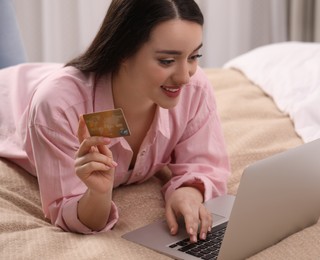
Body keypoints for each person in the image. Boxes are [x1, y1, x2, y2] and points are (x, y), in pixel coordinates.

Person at [0, 0, 230, 243]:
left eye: (194, 56)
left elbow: (204, 164)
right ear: (123, 51)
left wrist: (188, 192)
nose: (185, 77)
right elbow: (68, 210)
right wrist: (98, 195)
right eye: (167, 61)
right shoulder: (59, 106)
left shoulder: (195, 89)